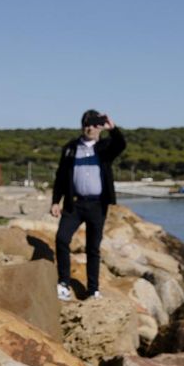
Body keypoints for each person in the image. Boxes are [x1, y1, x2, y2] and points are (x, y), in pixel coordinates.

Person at [49, 111, 126, 301]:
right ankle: (64, 283)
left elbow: (121, 145)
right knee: (61, 239)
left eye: (93, 124)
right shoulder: (70, 148)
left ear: (100, 127)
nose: (89, 128)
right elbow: (60, 176)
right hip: (74, 203)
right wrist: (55, 201)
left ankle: (93, 290)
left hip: (97, 205)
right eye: (86, 124)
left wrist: (113, 129)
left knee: (93, 248)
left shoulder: (105, 147)